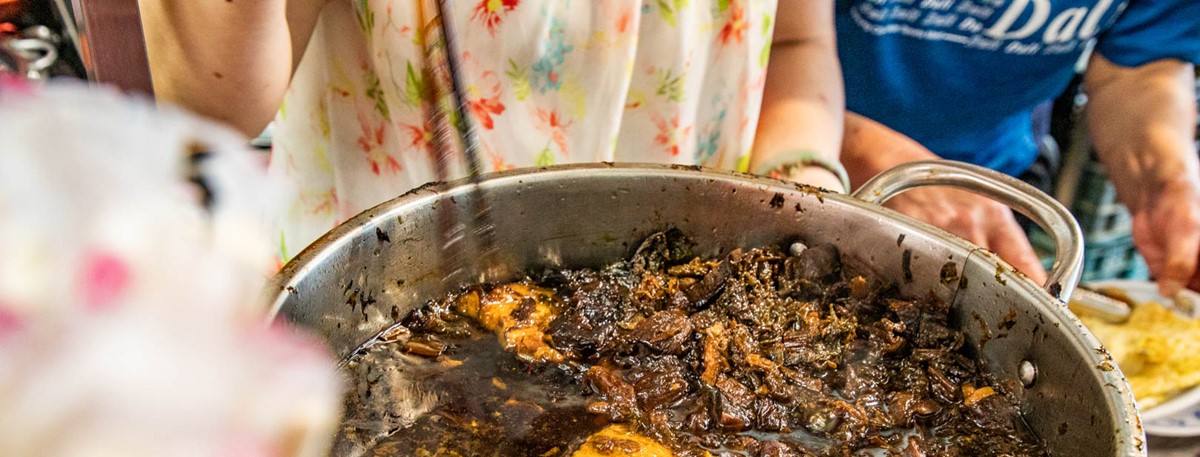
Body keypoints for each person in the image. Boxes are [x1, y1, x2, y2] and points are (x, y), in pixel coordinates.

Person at [137, 0, 845, 262]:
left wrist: (808, 193)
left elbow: (794, 47)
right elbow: (210, 102)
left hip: (694, 297)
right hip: (381, 311)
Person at [835, 0, 1200, 294]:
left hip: (998, 185)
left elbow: (1137, 69)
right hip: (817, 170)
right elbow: (791, 45)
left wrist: (1168, 178)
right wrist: (881, 163)